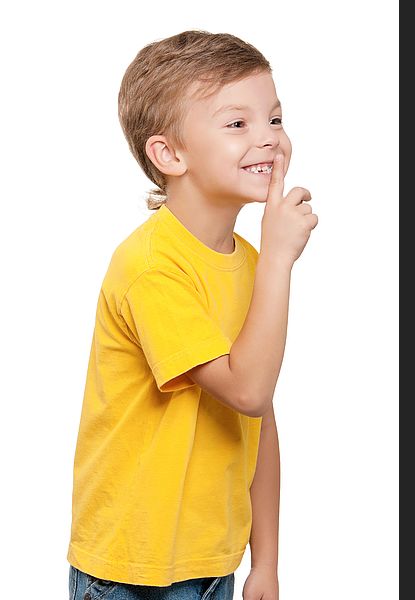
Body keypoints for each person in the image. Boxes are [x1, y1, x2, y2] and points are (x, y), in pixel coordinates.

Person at [67, 29, 318, 600]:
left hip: (210, 562)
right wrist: (279, 257)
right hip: (134, 572)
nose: (269, 140)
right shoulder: (152, 268)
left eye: (274, 119)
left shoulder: (250, 263)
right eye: (238, 124)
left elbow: (260, 418)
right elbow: (246, 390)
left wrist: (267, 564)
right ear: (169, 154)